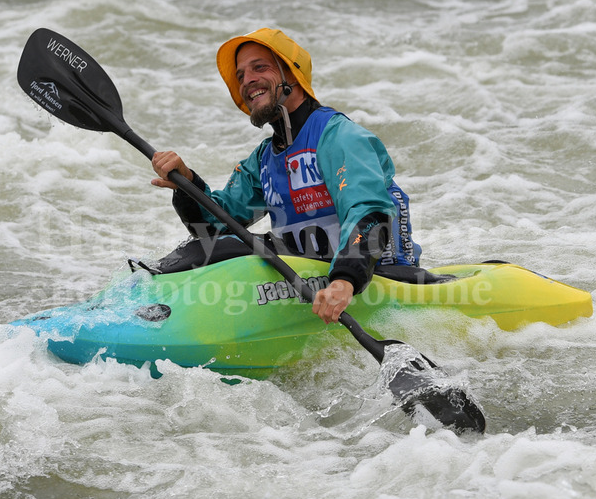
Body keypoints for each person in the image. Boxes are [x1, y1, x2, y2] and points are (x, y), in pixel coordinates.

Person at [150, 28, 421, 325]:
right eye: (240, 76)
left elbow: (369, 214)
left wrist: (345, 281)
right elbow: (213, 227)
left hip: (374, 276)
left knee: (231, 249)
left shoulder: (339, 136)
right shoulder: (264, 159)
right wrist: (185, 182)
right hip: (312, 273)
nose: (247, 81)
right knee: (218, 247)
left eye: (259, 67)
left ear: (292, 75)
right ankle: (147, 292)